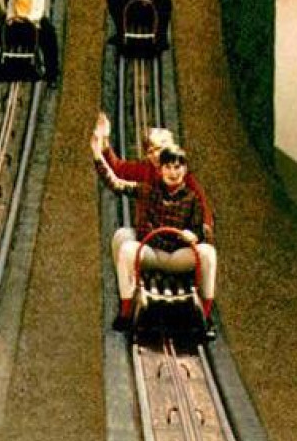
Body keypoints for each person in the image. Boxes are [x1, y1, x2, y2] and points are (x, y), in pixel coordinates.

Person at [91, 133, 217, 333]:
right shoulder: (148, 190)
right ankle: (126, 311)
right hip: (153, 250)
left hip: (178, 255)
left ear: (184, 170)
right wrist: (98, 155)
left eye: (177, 168)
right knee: (126, 249)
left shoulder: (192, 198)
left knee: (208, 254)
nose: (173, 173)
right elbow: (116, 183)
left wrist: (194, 235)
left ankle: (206, 316)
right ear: (160, 171)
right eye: (167, 167)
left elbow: (201, 227)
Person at [92, 112, 214, 244]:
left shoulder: (185, 179)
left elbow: (203, 207)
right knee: (122, 238)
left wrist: (202, 232)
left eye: (159, 149)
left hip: (177, 240)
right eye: (151, 151)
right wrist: (103, 144)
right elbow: (118, 171)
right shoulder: (145, 171)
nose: (156, 155)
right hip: (151, 238)